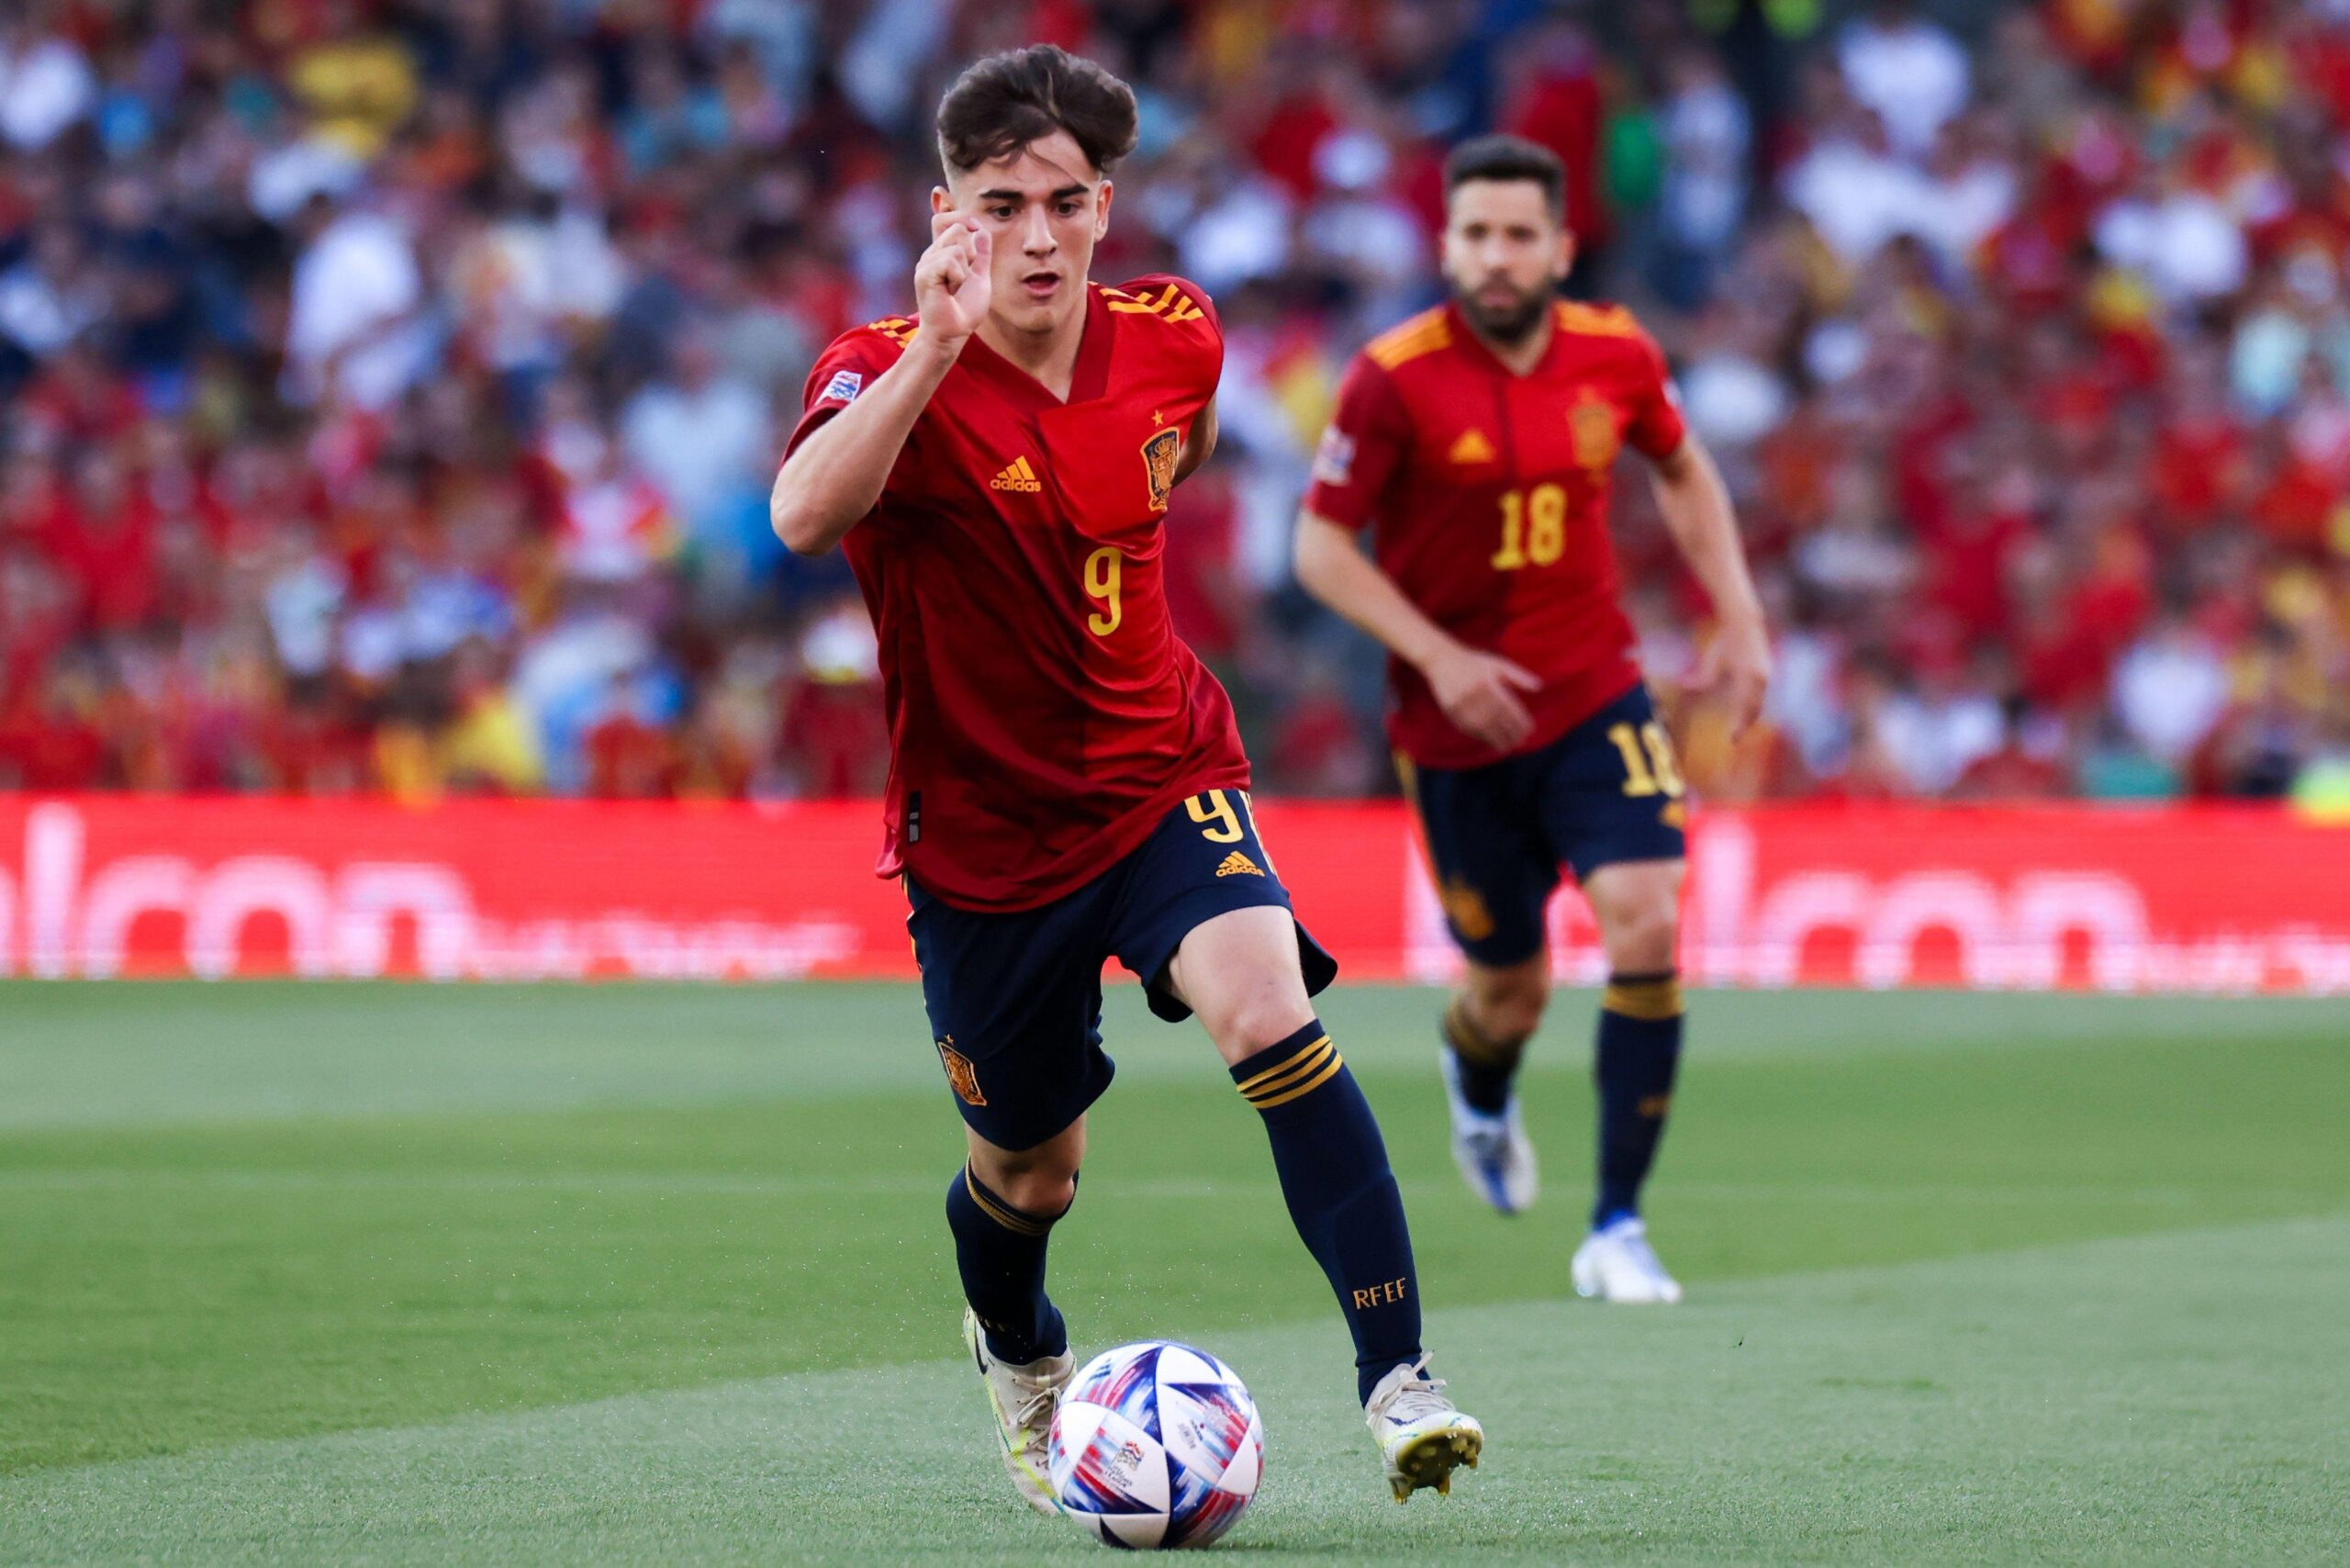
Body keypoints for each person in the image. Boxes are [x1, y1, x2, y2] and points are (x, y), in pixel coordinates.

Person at [768, 46, 1483, 1511]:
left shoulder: (1177, 334)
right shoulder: (877, 363)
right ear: (946, 215)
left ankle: (1400, 1380)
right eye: (1000, 206)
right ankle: (1019, 1354)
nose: (1036, 237)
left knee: (1269, 1011)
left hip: (1163, 773)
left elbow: (1182, 445)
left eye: (1065, 202)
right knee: (1032, 1174)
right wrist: (932, 353)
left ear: (1105, 205)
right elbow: (799, 516)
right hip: (983, 838)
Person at [1292, 135, 1771, 1305]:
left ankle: (1616, 1226)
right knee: (1512, 991)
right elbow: (1318, 547)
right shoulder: (1392, 378)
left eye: (1518, 235)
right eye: (1476, 235)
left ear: (1560, 247)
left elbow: (1682, 469)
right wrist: (1440, 657)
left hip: (1593, 688)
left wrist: (1740, 615)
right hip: (1456, 730)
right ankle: (1478, 1076)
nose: (1496, 257)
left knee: (1645, 917)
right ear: (1446, 246)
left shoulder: (1617, 353)